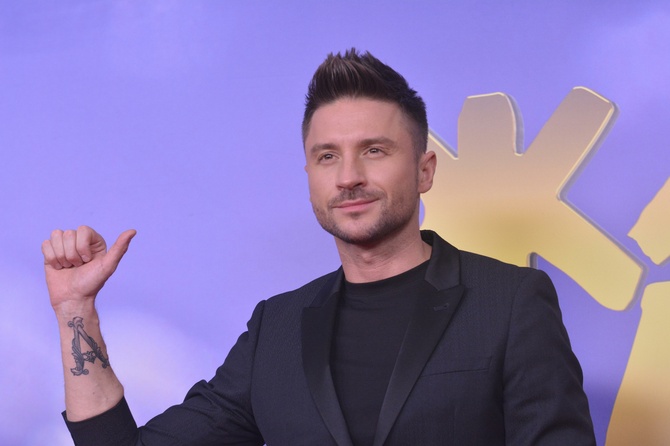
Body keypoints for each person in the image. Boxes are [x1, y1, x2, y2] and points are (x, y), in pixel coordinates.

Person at [42, 49, 596, 445]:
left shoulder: (511, 302)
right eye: (327, 156)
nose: (348, 176)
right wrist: (75, 311)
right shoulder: (276, 330)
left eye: (374, 150)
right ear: (309, 174)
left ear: (425, 169)